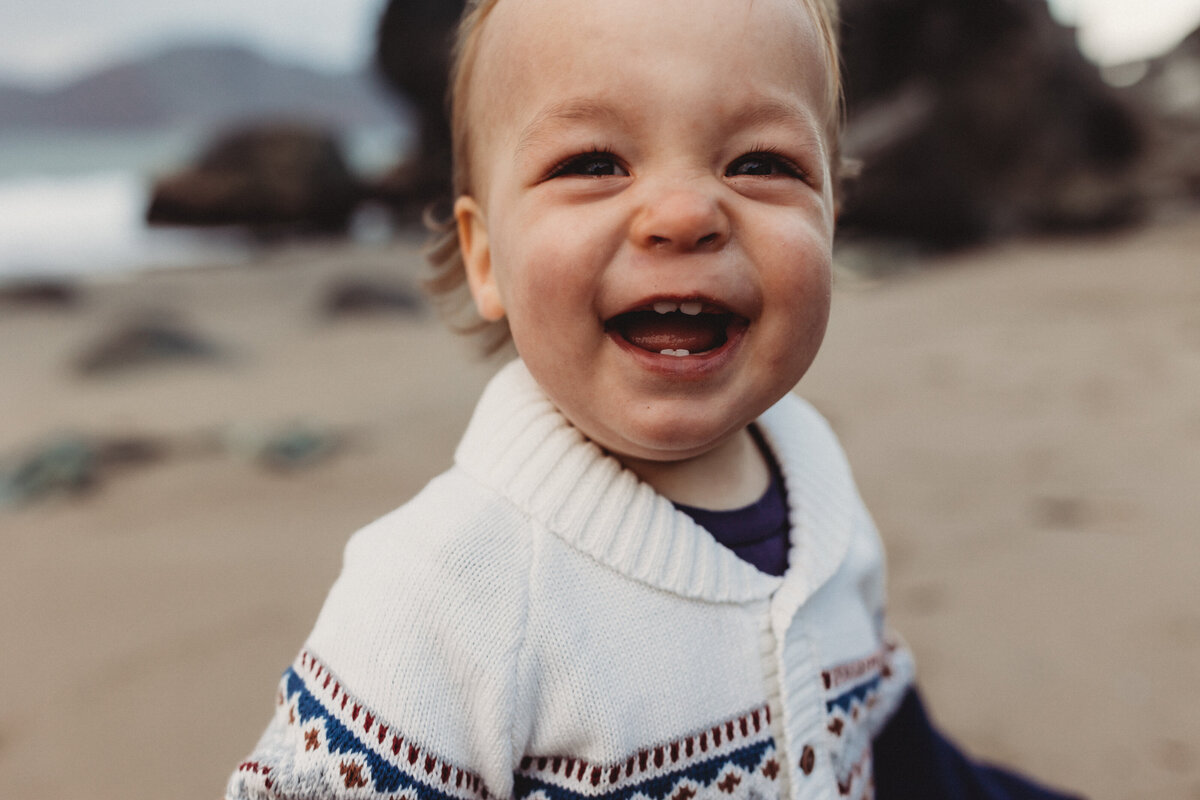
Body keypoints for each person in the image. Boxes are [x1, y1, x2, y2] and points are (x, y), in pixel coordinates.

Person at [226, 1, 1082, 798]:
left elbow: (898, 756)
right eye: (594, 163)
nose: (681, 213)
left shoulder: (822, 486)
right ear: (486, 259)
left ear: (831, 215)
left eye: (761, 164)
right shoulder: (440, 591)